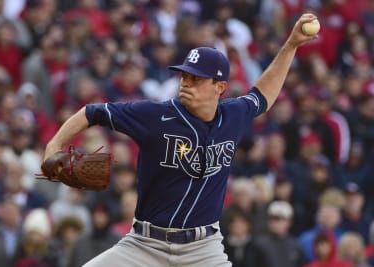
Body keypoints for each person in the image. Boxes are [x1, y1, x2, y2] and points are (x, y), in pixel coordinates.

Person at [42, 13, 319, 267]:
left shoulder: (233, 115)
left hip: (203, 250)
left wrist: (291, 45)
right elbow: (91, 112)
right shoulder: (154, 115)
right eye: (185, 75)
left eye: (196, 78)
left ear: (219, 87)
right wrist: (53, 146)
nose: (186, 82)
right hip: (144, 245)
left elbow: (263, 95)